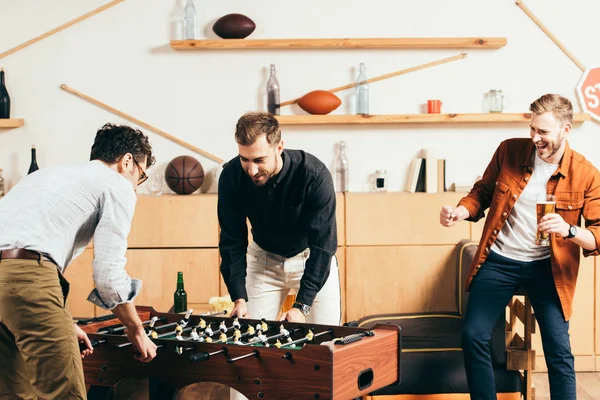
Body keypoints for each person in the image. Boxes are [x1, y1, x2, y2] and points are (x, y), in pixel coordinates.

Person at [439, 94, 600, 400]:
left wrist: (568, 229)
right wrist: (461, 212)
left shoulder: (587, 174)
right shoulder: (509, 150)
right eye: (532, 129)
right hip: (500, 259)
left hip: (548, 268)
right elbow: (482, 192)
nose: (535, 138)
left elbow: (597, 235)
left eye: (544, 132)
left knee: (558, 348)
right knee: (473, 335)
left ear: (566, 130)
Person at [0, 123, 158, 399]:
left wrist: (62, 321)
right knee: (65, 394)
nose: (136, 187)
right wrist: (137, 331)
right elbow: (109, 277)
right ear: (127, 161)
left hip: (15, 288)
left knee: (14, 393)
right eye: (141, 176)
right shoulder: (117, 184)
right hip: (26, 282)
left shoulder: (44, 176)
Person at [218, 111, 341, 326]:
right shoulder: (231, 176)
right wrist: (238, 297)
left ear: (279, 147)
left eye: (259, 160)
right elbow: (232, 240)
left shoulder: (314, 175)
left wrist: (302, 305)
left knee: (325, 340)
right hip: (263, 259)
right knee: (250, 336)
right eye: (244, 159)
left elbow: (323, 246)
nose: (252, 170)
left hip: (310, 259)